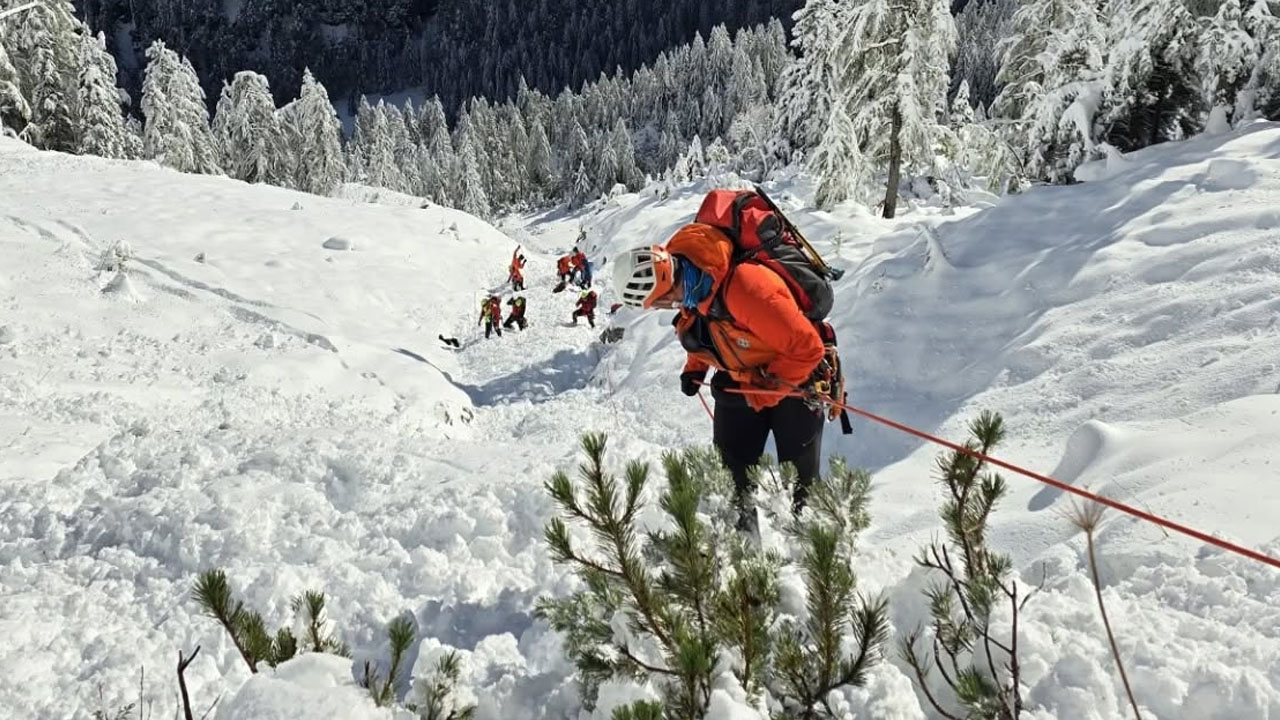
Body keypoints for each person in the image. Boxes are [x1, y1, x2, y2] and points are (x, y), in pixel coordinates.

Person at [613, 224, 826, 533]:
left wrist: (766, 389)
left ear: (667, 284)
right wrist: (695, 368)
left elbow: (808, 349)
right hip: (742, 379)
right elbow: (708, 328)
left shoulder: (746, 288)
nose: (667, 307)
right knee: (729, 478)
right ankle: (742, 553)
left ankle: (816, 559)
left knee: (801, 482)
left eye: (662, 301)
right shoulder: (694, 280)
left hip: (797, 382)